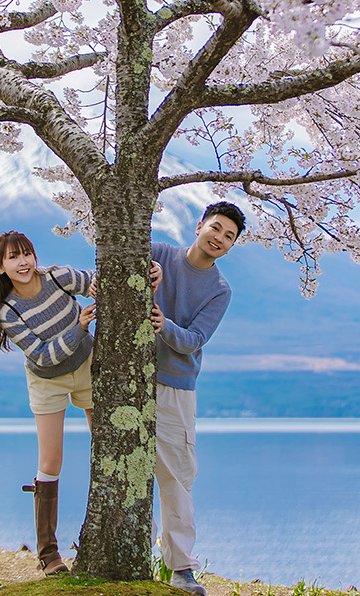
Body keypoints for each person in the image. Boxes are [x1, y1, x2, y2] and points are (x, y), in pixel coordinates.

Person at [0, 231, 96, 576]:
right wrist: (78, 326)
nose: (22, 262)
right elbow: (43, 355)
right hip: (46, 379)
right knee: (50, 460)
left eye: (26, 254)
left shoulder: (57, 276)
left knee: (106, 446)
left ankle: (101, 534)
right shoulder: (8, 312)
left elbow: (95, 282)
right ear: (0, 267)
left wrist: (98, 288)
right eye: (13, 257)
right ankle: (49, 554)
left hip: (88, 365)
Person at [150, 202, 244, 596]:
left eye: (228, 237)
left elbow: (194, 341)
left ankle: (180, 569)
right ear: (199, 225)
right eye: (216, 228)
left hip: (175, 385)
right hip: (126, 376)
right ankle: (128, 554)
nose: (219, 238)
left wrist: (164, 325)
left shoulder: (219, 290)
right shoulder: (157, 253)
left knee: (177, 477)